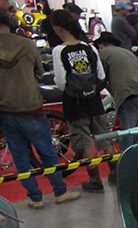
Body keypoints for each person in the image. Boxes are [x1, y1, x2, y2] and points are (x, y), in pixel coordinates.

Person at [0, 8, 79, 208]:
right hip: (30, 105)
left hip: (5, 109)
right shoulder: (27, 44)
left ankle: (35, 198)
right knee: (46, 150)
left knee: (20, 155)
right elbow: (40, 71)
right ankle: (60, 191)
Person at [51, 8, 107, 193]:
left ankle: (95, 179)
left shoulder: (59, 50)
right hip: (94, 100)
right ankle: (115, 172)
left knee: (84, 141)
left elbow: (61, 82)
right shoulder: (89, 47)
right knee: (104, 136)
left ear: (57, 29)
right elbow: (101, 75)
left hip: (74, 103)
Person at [94, 32, 138, 154]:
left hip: (129, 94)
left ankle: (127, 160)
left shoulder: (104, 53)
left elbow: (101, 78)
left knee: (128, 132)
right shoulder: (127, 52)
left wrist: (93, 91)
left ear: (101, 44)